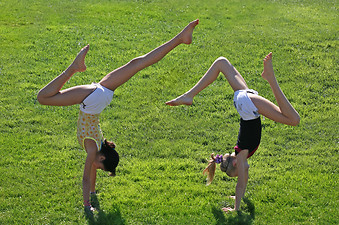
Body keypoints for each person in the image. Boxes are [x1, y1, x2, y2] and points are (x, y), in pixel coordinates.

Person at [37, 19, 199, 212]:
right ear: (102, 158)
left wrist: (93, 194)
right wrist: (87, 206)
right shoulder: (92, 149)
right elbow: (86, 177)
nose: (95, 168)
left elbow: (91, 173)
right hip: (92, 100)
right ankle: (73, 68)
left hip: (102, 96)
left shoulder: (97, 145)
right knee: (43, 98)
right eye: (100, 167)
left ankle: (181, 38)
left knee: (139, 63)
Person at [166, 52, 300, 212]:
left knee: (293, 120)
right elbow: (244, 179)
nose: (245, 170)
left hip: (248, 105)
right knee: (221, 62)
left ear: (236, 164)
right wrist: (239, 197)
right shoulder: (240, 153)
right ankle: (189, 95)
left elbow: (241, 183)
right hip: (243, 102)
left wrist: (236, 209)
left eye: (240, 171)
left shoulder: (242, 156)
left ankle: (270, 78)